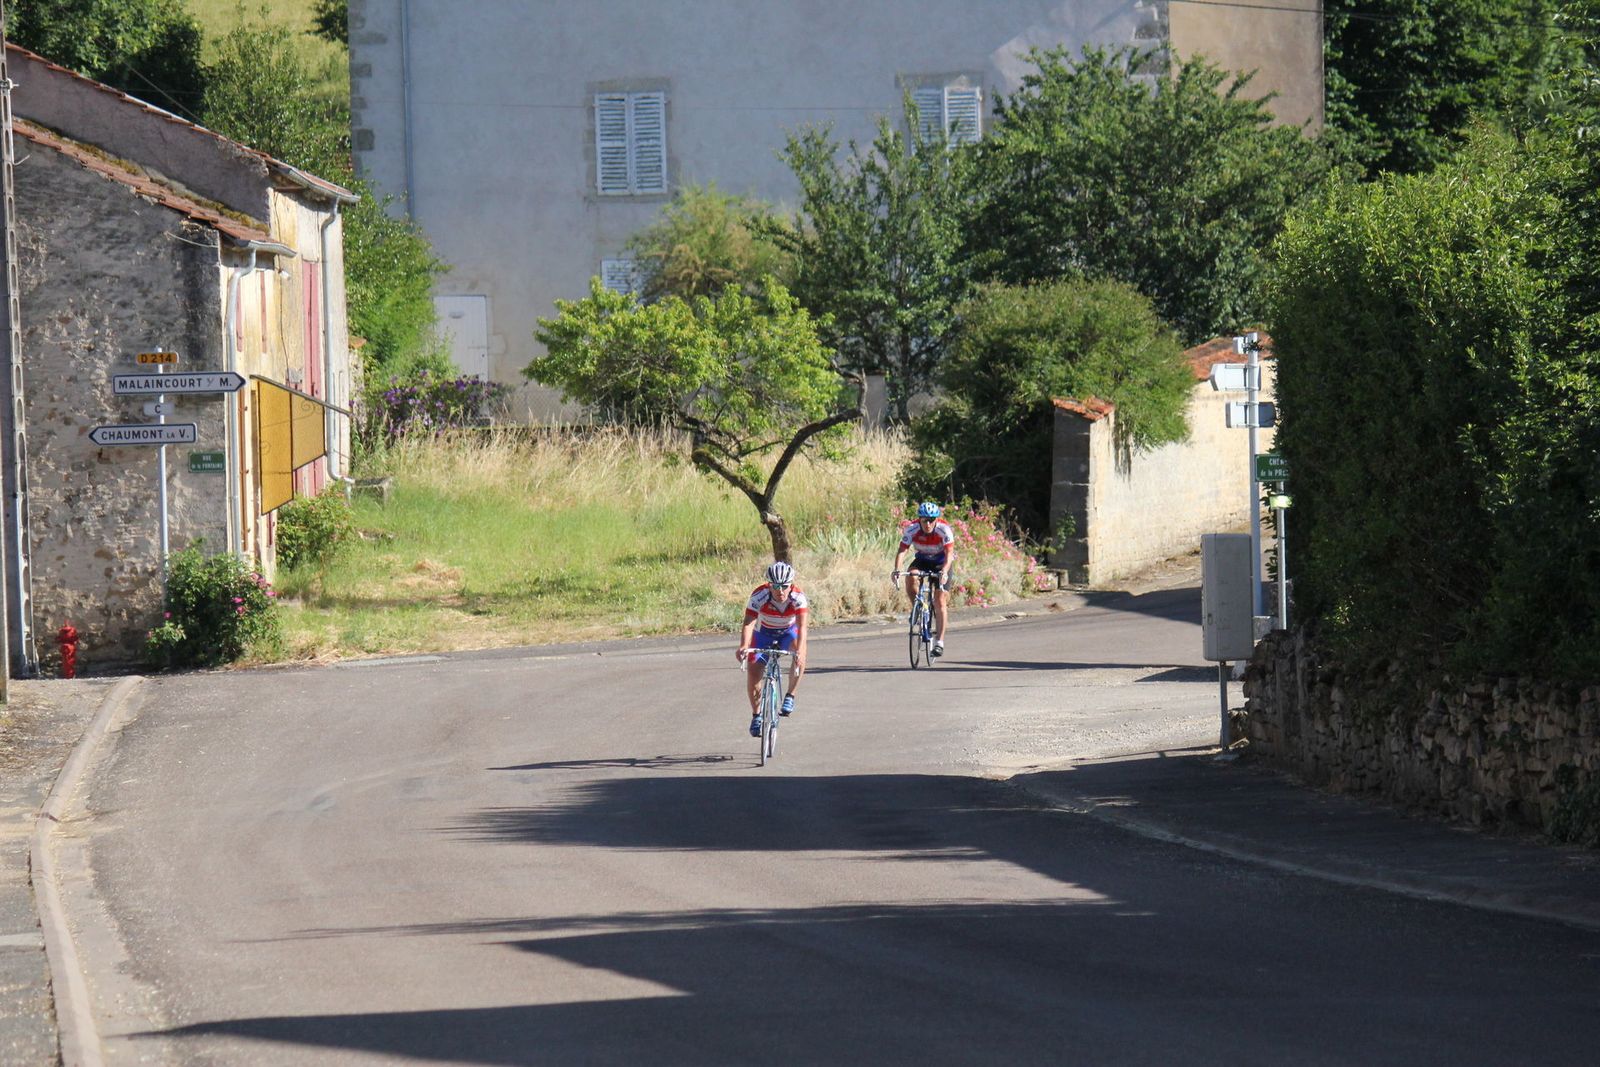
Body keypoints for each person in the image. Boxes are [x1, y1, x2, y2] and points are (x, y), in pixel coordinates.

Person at [737, 560, 809, 737]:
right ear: (769, 585)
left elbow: (802, 627)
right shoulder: (759, 595)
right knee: (754, 672)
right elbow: (748, 623)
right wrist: (744, 646)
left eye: (784, 586)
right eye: (775, 586)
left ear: (791, 585)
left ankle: (790, 695)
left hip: (788, 633)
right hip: (763, 634)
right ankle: (757, 715)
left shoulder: (798, 598)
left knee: (800, 654)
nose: (780, 590)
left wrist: (799, 652)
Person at [892, 501, 955, 657]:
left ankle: (939, 643)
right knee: (911, 576)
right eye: (924, 520)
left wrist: (944, 572)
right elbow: (902, 550)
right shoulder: (912, 529)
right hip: (922, 560)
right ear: (919, 519)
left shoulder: (944, 529)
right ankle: (918, 607)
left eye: (931, 520)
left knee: (940, 601)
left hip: (941, 563)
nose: (928, 524)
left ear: (936, 519)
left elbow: (949, 554)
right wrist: (897, 570)